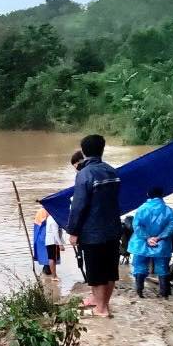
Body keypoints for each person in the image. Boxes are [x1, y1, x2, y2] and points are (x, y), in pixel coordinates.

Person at [67, 134, 121, 317]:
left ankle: (101, 309)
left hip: (93, 232)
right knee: (110, 271)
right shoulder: (112, 171)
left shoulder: (84, 174)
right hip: (113, 230)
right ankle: (104, 304)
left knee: (96, 273)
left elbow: (78, 206)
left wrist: (73, 231)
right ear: (102, 149)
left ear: (84, 152)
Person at [127, 187, 173, 299]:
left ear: (148, 194)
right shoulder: (168, 210)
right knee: (162, 268)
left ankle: (139, 292)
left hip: (141, 243)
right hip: (161, 244)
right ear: (161, 195)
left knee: (139, 266)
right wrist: (159, 237)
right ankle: (164, 295)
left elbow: (136, 225)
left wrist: (147, 238)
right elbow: (172, 226)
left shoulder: (142, 209)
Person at [33, 206, 64, 276]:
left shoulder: (44, 212)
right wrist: (60, 243)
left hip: (45, 238)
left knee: (49, 258)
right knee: (50, 257)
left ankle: (50, 275)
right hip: (48, 239)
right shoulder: (48, 214)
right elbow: (55, 231)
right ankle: (52, 275)